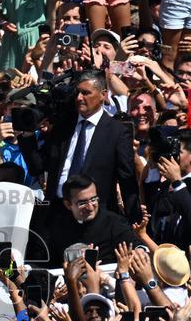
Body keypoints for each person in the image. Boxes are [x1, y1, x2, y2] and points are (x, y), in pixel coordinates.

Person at [42, 70, 140, 223]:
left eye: (86, 93)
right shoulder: (63, 126)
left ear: (103, 94)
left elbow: (126, 179)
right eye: (78, 93)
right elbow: (40, 166)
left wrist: (134, 222)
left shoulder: (117, 132)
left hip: (96, 217)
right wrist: (26, 136)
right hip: (58, 212)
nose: (79, 98)